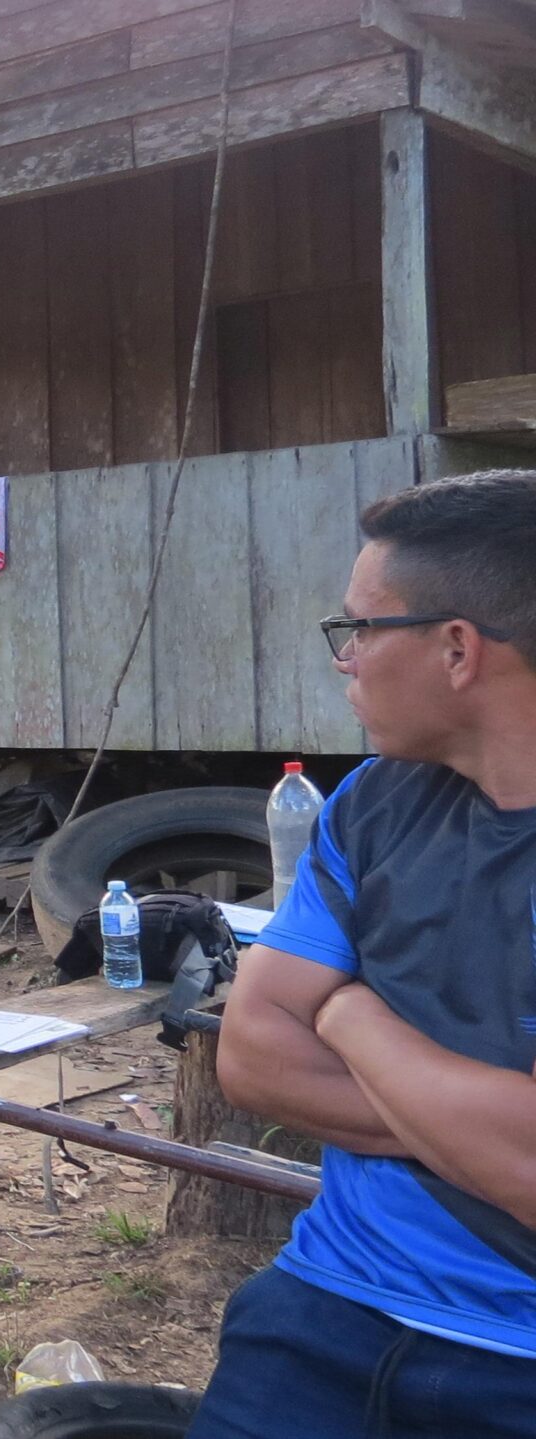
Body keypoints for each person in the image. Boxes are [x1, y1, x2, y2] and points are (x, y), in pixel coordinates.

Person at [190, 471, 536, 1438]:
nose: (345, 660)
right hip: (324, 1306)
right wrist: (479, 1129)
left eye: (360, 630)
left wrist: (348, 1012)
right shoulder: (377, 802)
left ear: (457, 649)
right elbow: (252, 1053)